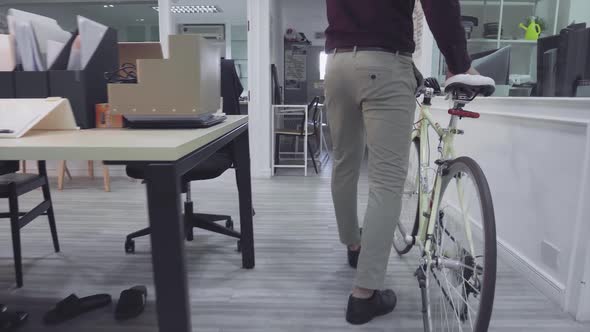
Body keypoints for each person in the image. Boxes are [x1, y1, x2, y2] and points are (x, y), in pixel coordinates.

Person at [324, 0, 480, 325]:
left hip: (336, 64)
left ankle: (354, 245)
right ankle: (364, 295)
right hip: (384, 63)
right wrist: (458, 63)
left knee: (344, 163)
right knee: (386, 181)